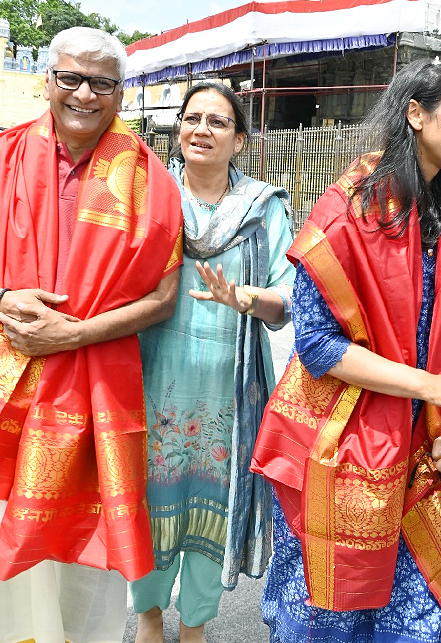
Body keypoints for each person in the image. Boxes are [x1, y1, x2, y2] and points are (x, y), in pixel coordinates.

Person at [251, 60, 441, 643]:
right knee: (324, 614)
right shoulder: (349, 210)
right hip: (336, 444)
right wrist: (431, 388)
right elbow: (317, 345)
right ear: (416, 114)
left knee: (414, 620)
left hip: (422, 450)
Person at [0, 27, 183, 643]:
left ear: (120, 92)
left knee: (84, 565)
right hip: (8, 389)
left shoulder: (149, 178)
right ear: (47, 82)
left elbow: (162, 298)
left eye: (101, 83)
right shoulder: (5, 156)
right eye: (70, 78)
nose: (84, 93)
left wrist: (71, 335)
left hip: (97, 396)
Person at [131, 80, 295, 643]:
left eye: (217, 121)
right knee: (151, 498)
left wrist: (244, 297)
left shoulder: (264, 209)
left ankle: (195, 626)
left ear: (241, 140)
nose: (201, 129)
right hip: (154, 375)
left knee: (215, 505)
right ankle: (149, 615)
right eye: (192, 118)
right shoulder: (151, 197)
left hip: (230, 385)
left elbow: (287, 296)